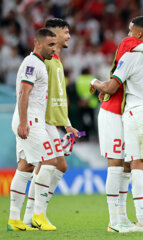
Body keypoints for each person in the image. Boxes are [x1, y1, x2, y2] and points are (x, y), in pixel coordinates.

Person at [90, 16, 143, 232]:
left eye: (130, 31)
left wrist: (95, 83)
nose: (126, 36)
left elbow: (110, 87)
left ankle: (140, 222)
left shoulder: (130, 52)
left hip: (136, 113)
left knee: (134, 165)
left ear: (137, 34)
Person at [22, 18, 79, 229]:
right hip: (40, 120)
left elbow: (58, 96)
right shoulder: (44, 61)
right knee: (45, 164)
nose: (69, 36)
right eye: (66, 32)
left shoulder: (57, 61)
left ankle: (33, 214)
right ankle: (35, 214)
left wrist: (67, 124)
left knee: (57, 165)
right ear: (53, 35)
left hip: (52, 122)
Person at [8, 28, 56, 231]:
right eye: (50, 45)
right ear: (38, 44)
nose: (53, 49)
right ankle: (38, 215)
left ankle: (14, 219)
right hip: (30, 121)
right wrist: (24, 122)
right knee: (50, 161)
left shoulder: (38, 64)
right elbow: (24, 94)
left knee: (26, 166)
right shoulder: (31, 63)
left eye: (55, 44)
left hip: (29, 119)